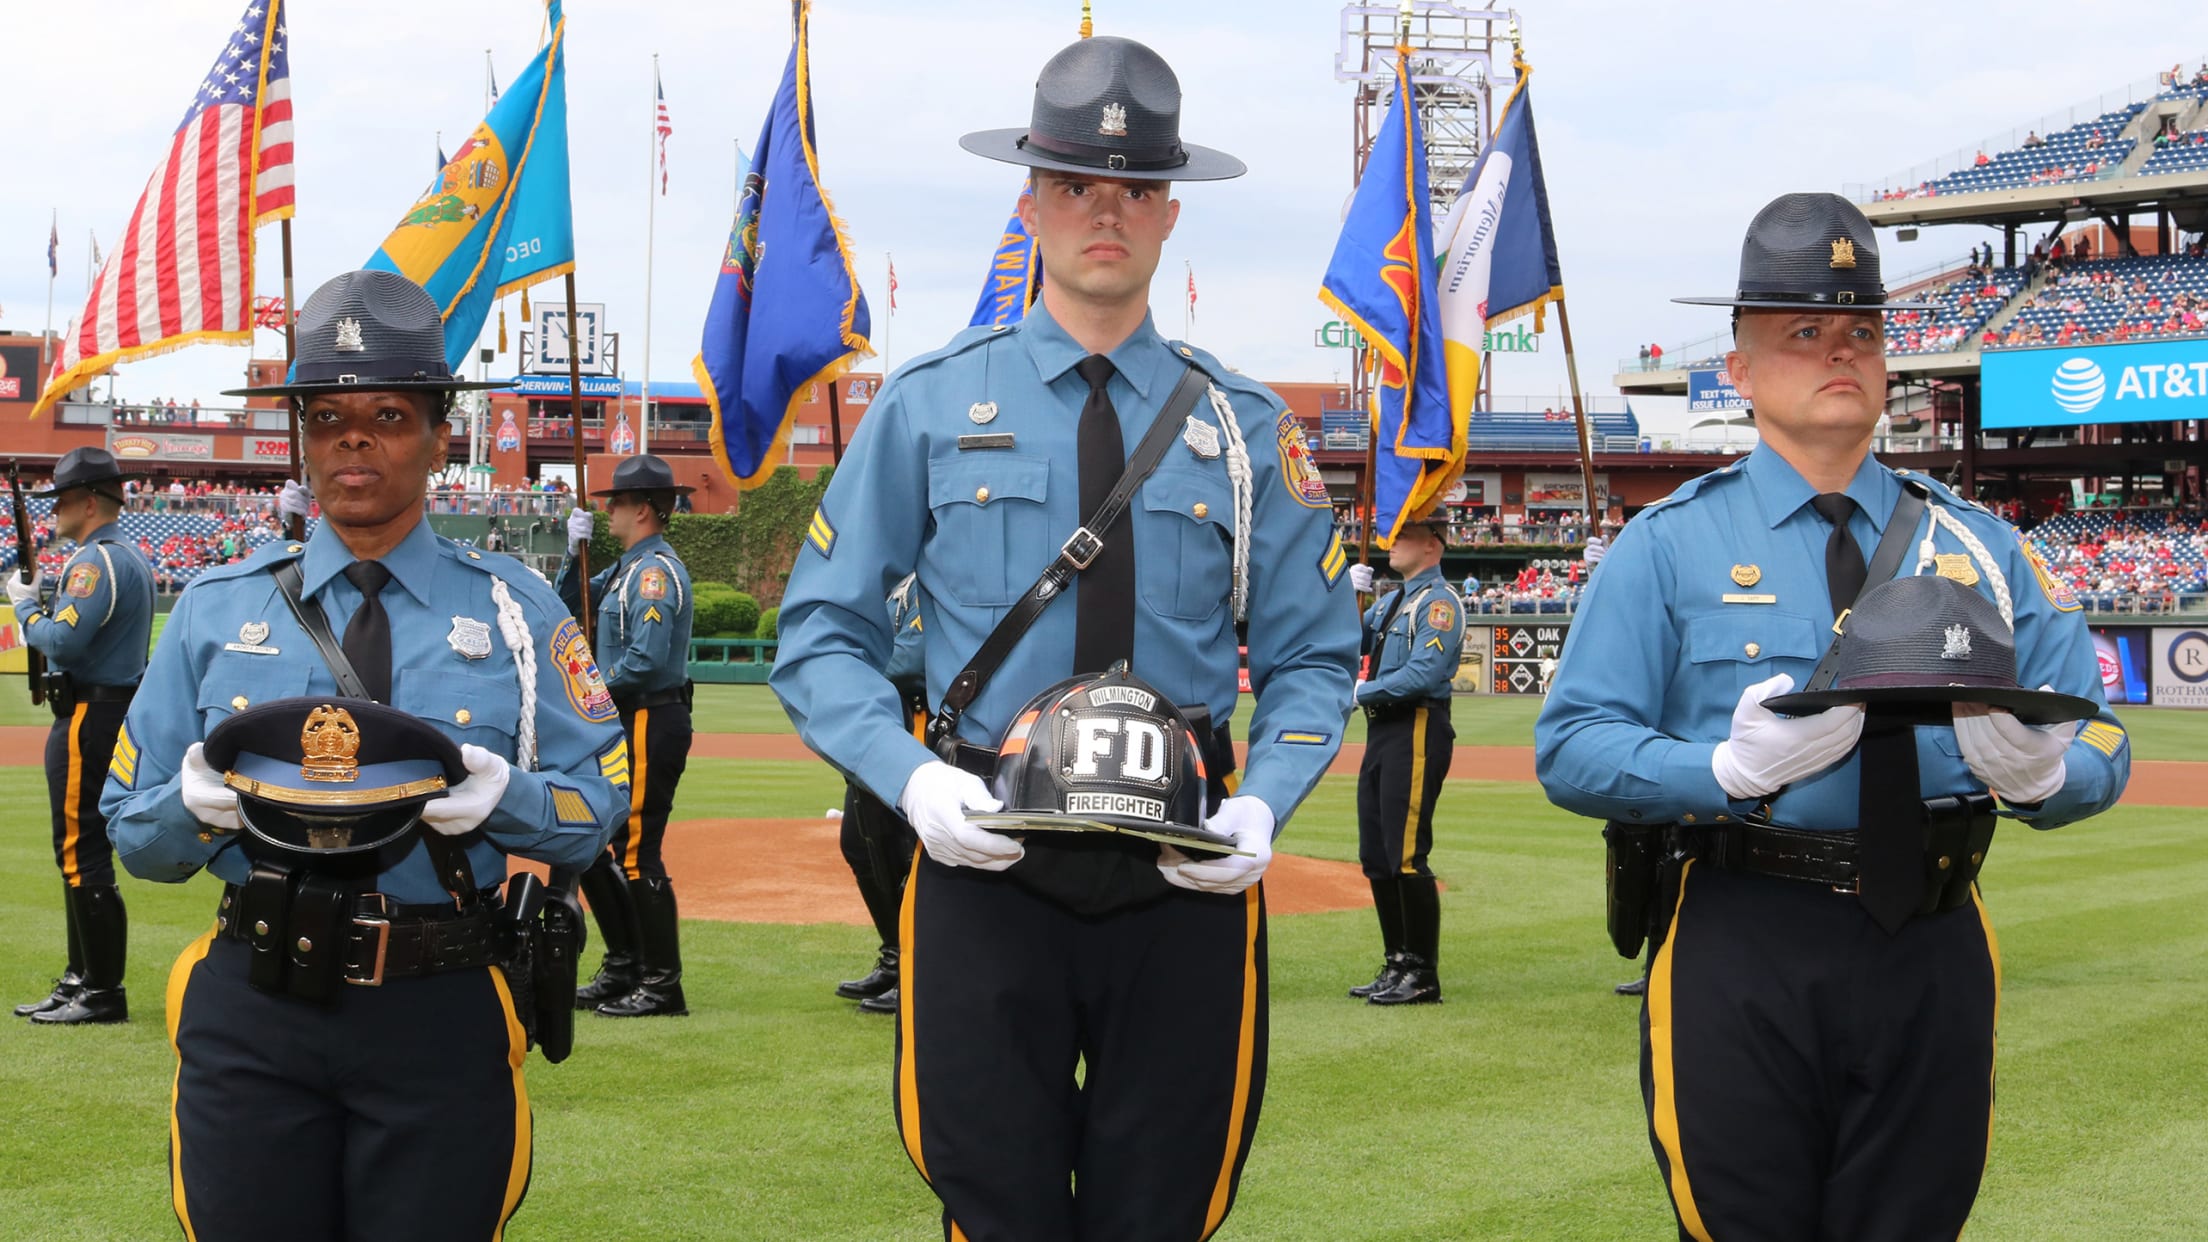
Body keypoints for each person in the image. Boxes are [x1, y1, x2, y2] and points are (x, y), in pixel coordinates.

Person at [770, 34, 1358, 1241]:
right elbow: (820, 633)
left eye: (1138, 187)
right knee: (994, 1201)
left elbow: (1311, 655)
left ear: (1169, 213)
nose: (1109, 211)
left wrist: (1268, 802)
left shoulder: (1245, 431)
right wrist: (912, 779)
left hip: (1186, 863)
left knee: (1169, 1202)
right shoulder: (930, 402)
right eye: (1078, 185)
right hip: (990, 855)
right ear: (1031, 200)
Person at [1535, 193, 2130, 1240]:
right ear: (1740, 370)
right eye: (1802, 332)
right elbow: (1573, 746)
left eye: (1861, 331)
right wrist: (1717, 770)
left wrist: (2052, 778)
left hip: (1935, 944)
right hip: (1742, 935)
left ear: (1890, 360)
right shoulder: (1667, 546)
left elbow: (2101, 726)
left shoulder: (1983, 545)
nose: (1838, 353)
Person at [102, 269, 629, 1241]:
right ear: (300, 435)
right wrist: (193, 803)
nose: (355, 438)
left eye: (388, 414)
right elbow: (135, 834)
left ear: (437, 434)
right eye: (327, 415)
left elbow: (598, 809)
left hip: (438, 1007)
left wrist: (502, 799)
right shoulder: (220, 608)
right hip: (255, 1007)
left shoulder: (517, 610)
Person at [7, 447, 155, 1024]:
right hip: (101, 713)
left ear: (89, 502)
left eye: (64, 499)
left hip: (90, 717)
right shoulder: (120, 557)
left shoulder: (97, 562)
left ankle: (100, 991)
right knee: (78, 848)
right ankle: (80, 979)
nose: (56, 511)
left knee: (80, 849)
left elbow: (64, 645)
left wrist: (24, 610)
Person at [556, 453, 698, 1018]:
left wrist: (591, 694)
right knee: (597, 845)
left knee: (637, 851)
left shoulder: (654, 574)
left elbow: (646, 662)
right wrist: (573, 554)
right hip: (624, 720)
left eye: (615, 502)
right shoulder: (623, 570)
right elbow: (568, 607)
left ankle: (662, 984)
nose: (607, 511)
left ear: (642, 509)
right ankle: (624, 967)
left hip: (648, 716)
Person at [1342, 510, 1464, 1005]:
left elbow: (1422, 674)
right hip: (1384, 732)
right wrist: (1344, 599)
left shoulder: (1439, 605)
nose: (1391, 543)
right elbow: (1349, 642)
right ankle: (1396, 962)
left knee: (1407, 853)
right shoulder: (1395, 602)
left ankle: (1423, 972)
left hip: (1415, 725)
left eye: (1404, 536)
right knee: (1376, 852)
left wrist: (1362, 692)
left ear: (1433, 545)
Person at [833, 574, 927, 1016]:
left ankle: (916, 964)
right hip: (882, 723)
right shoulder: (897, 586)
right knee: (860, 845)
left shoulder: (929, 582)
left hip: (917, 727)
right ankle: (894, 952)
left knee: (906, 855)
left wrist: (852, 675)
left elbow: (911, 659)